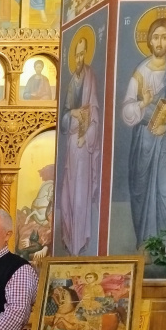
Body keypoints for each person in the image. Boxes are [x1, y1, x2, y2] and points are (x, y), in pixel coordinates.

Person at [121, 16, 166, 248]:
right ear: (149, 41)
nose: (160, 42)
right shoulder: (140, 73)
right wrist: (143, 103)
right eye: (156, 37)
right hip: (145, 142)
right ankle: (146, 247)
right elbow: (127, 111)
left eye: (165, 37)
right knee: (142, 193)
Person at [60, 32, 101, 255]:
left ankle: (79, 241)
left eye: (82, 54)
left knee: (79, 195)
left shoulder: (90, 77)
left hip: (83, 146)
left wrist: (86, 136)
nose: (79, 59)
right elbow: (65, 115)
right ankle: (70, 240)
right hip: (71, 145)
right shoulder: (71, 83)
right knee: (67, 196)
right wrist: (72, 114)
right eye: (76, 55)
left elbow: (93, 113)